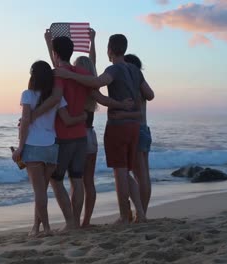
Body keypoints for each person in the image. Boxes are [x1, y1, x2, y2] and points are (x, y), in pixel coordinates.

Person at [55, 34, 153, 224]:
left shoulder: (113, 69)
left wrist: (69, 74)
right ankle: (140, 213)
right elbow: (150, 94)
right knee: (126, 172)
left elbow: (97, 83)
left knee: (119, 172)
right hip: (135, 126)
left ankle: (125, 216)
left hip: (118, 126)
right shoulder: (134, 69)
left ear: (109, 49)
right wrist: (132, 107)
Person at [42, 29, 134, 228]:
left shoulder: (64, 75)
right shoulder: (87, 78)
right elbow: (94, 75)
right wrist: (92, 41)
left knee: (60, 179)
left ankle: (72, 222)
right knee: (83, 181)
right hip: (87, 136)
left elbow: (56, 66)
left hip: (69, 136)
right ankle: (82, 221)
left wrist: (49, 42)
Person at [12, 60, 85, 236]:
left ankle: (46, 228)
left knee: (39, 193)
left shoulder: (28, 95)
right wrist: (83, 117)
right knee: (42, 192)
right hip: (52, 146)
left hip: (33, 146)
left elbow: (25, 123)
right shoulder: (56, 97)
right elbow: (66, 119)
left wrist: (20, 148)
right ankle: (36, 227)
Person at [110, 54, 155, 216]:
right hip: (145, 129)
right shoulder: (141, 84)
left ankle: (140, 213)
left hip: (136, 129)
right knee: (144, 175)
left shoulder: (131, 84)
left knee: (139, 175)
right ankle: (142, 212)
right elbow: (150, 95)